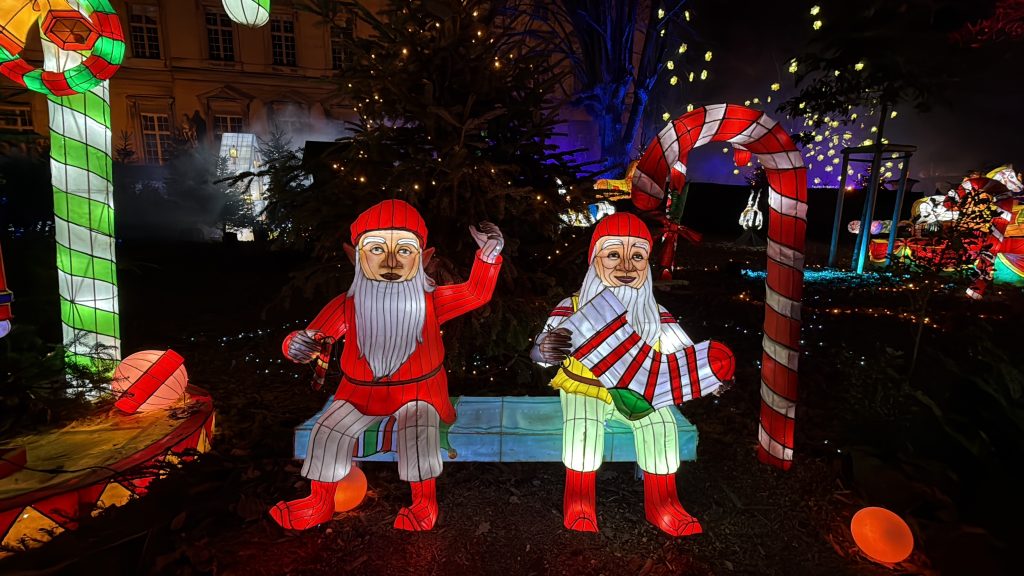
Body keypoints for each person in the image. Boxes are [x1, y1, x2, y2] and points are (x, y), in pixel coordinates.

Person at [272, 199, 503, 531]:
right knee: (328, 431)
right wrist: (297, 344)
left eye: (404, 250)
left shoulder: (432, 301)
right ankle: (319, 501)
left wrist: (488, 256)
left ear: (422, 258)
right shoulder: (348, 304)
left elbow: (475, 293)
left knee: (419, 430)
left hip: (419, 391)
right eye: (378, 249)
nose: (391, 261)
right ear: (357, 256)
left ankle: (424, 503)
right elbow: (315, 336)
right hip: (358, 393)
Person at [531, 212, 732, 537]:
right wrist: (547, 349)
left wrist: (711, 378)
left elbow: (684, 357)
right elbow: (539, 352)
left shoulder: (655, 314)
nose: (626, 267)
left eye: (636, 256)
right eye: (613, 254)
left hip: (639, 392)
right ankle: (579, 500)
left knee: (662, 424)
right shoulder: (573, 306)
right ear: (595, 259)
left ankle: (663, 503)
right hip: (584, 388)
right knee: (583, 429)